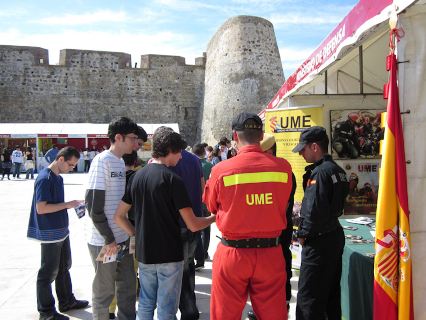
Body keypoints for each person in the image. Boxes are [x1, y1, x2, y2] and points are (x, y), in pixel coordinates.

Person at [114, 126, 215, 320]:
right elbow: (192, 224)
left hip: (145, 254)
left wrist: (136, 233)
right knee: (166, 309)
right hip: (169, 254)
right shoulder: (173, 180)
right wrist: (214, 218)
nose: (181, 157)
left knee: (145, 304)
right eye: (178, 152)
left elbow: (119, 216)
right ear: (169, 150)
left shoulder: (137, 177)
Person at [203, 112, 293, 320]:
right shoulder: (283, 168)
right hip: (271, 253)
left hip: (233, 254)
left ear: (235, 136)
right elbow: (284, 201)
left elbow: (211, 206)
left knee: (224, 315)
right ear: (261, 135)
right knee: (274, 315)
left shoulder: (220, 170)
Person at [85, 117, 140, 320]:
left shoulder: (118, 161)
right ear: (118, 137)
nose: (136, 144)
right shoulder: (101, 162)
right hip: (105, 242)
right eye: (132, 138)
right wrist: (109, 239)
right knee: (104, 293)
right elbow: (93, 207)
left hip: (122, 240)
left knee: (127, 289)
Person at [292, 126, 349, 320]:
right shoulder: (338, 171)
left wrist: (301, 235)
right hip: (333, 235)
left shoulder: (319, 174)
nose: (300, 153)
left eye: (303, 148)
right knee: (331, 295)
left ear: (315, 147)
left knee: (309, 299)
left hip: (319, 242)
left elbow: (313, 211)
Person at [27, 146, 89, 320]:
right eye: (70, 165)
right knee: (47, 273)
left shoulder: (57, 178)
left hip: (61, 230)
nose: (72, 168)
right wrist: (68, 204)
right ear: (60, 159)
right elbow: (41, 208)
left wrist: (73, 204)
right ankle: (46, 312)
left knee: (63, 267)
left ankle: (67, 301)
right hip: (50, 233)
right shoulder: (45, 178)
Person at [247, 133, 297, 320]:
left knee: (281, 267)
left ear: (269, 150)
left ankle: (281, 305)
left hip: (278, 230)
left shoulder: (281, 171)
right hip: (273, 230)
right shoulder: (284, 170)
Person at [170, 145, 204, 320]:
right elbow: (202, 185)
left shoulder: (171, 159)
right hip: (194, 220)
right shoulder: (195, 160)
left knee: (178, 271)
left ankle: (184, 311)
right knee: (188, 266)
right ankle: (190, 310)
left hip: (178, 223)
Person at [192, 143, 214, 268]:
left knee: (195, 230)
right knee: (206, 229)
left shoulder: (191, 164)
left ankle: (198, 254)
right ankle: (204, 252)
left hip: (195, 201)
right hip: (207, 201)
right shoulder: (210, 166)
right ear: (203, 152)